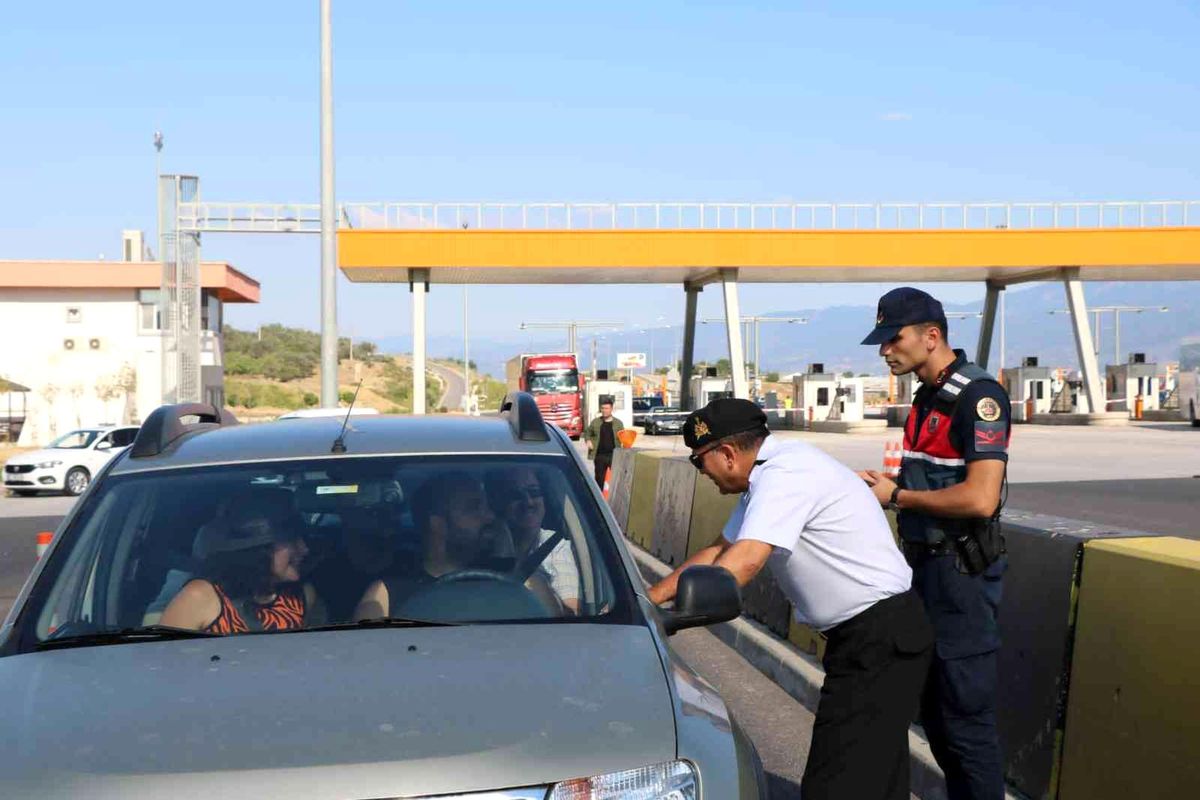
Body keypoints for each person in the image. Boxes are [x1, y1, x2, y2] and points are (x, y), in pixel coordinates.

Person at [647, 398, 933, 800]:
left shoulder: (787, 474)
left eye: (699, 462)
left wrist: (684, 612)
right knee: (875, 779)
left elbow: (744, 561)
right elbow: (719, 550)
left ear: (727, 453)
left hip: (880, 637)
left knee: (836, 785)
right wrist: (648, 599)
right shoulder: (763, 479)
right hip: (868, 639)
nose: (702, 473)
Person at [858, 287, 1010, 800]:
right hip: (924, 571)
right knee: (938, 721)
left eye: (893, 338)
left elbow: (981, 498)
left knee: (965, 721)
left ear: (932, 336)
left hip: (959, 577)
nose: (885, 351)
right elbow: (934, 482)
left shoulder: (978, 397)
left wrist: (898, 495)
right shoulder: (926, 398)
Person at [160, 490, 322, 634]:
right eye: (292, 541)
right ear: (259, 552)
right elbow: (163, 661)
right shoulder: (199, 596)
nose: (304, 549)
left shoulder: (301, 595)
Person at [353, 472, 495, 620]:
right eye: (473, 508)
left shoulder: (504, 585)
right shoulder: (387, 595)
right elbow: (365, 642)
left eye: (487, 507)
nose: (490, 516)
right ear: (438, 525)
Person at [485, 466, 580, 612]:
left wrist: (536, 578)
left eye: (534, 492)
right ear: (497, 503)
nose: (528, 502)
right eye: (515, 495)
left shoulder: (555, 547)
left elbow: (570, 613)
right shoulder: (481, 546)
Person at [584, 397, 623, 487]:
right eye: (602, 408)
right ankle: (600, 499)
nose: (604, 410)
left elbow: (623, 437)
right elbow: (587, 432)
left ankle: (614, 499)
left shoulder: (618, 423)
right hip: (599, 455)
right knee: (599, 480)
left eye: (607, 408)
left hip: (614, 455)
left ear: (611, 409)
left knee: (615, 479)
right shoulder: (596, 422)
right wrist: (588, 440)